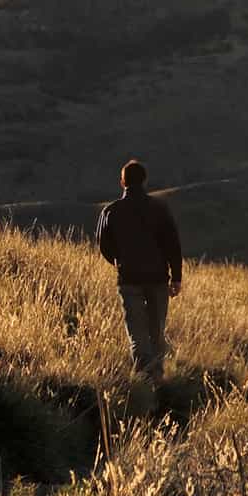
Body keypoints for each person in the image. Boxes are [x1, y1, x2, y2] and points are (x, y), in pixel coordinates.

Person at [95, 158, 182, 384]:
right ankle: (158, 376)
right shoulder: (160, 209)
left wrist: (118, 261)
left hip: (129, 279)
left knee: (137, 332)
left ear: (122, 182)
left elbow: (103, 245)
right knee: (157, 330)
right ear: (145, 180)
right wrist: (176, 277)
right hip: (158, 279)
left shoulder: (111, 211)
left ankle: (144, 379)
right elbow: (173, 244)